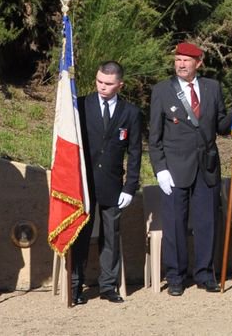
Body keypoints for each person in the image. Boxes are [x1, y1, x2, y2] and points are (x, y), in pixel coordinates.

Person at [147, 43, 230, 295]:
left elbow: (222, 126)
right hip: (174, 168)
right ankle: (175, 276)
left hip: (206, 166)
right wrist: (160, 168)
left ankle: (205, 273)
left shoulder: (212, 88)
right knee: (174, 224)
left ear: (199, 63)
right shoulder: (162, 91)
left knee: (207, 222)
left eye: (186, 60)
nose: (181, 64)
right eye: (178, 60)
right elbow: (154, 136)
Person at [69, 61, 142, 304]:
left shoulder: (130, 112)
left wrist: (130, 186)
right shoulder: (80, 104)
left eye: (109, 84)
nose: (103, 87)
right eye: (100, 81)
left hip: (113, 184)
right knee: (81, 235)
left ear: (120, 84)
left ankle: (108, 286)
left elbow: (134, 152)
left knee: (111, 235)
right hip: (84, 183)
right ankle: (76, 285)